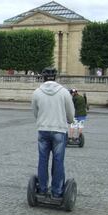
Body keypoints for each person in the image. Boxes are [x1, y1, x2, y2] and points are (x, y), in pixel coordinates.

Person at [31, 69, 74, 199]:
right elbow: (71, 112)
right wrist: (70, 120)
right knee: (58, 161)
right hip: (59, 131)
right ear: (55, 77)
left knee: (42, 160)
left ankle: (42, 189)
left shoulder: (37, 92)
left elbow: (35, 111)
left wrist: (41, 121)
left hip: (43, 130)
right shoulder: (64, 92)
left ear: (43, 77)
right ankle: (57, 191)